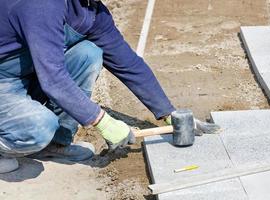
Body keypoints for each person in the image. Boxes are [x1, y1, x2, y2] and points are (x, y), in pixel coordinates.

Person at [0, 0, 220, 174]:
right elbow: (53, 79)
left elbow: (127, 63)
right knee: (38, 127)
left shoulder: (90, 9)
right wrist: (101, 121)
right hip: (5, 77)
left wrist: (168, 112)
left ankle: (55, 145)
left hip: (28, 72)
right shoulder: (43, 5)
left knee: (88, 54)